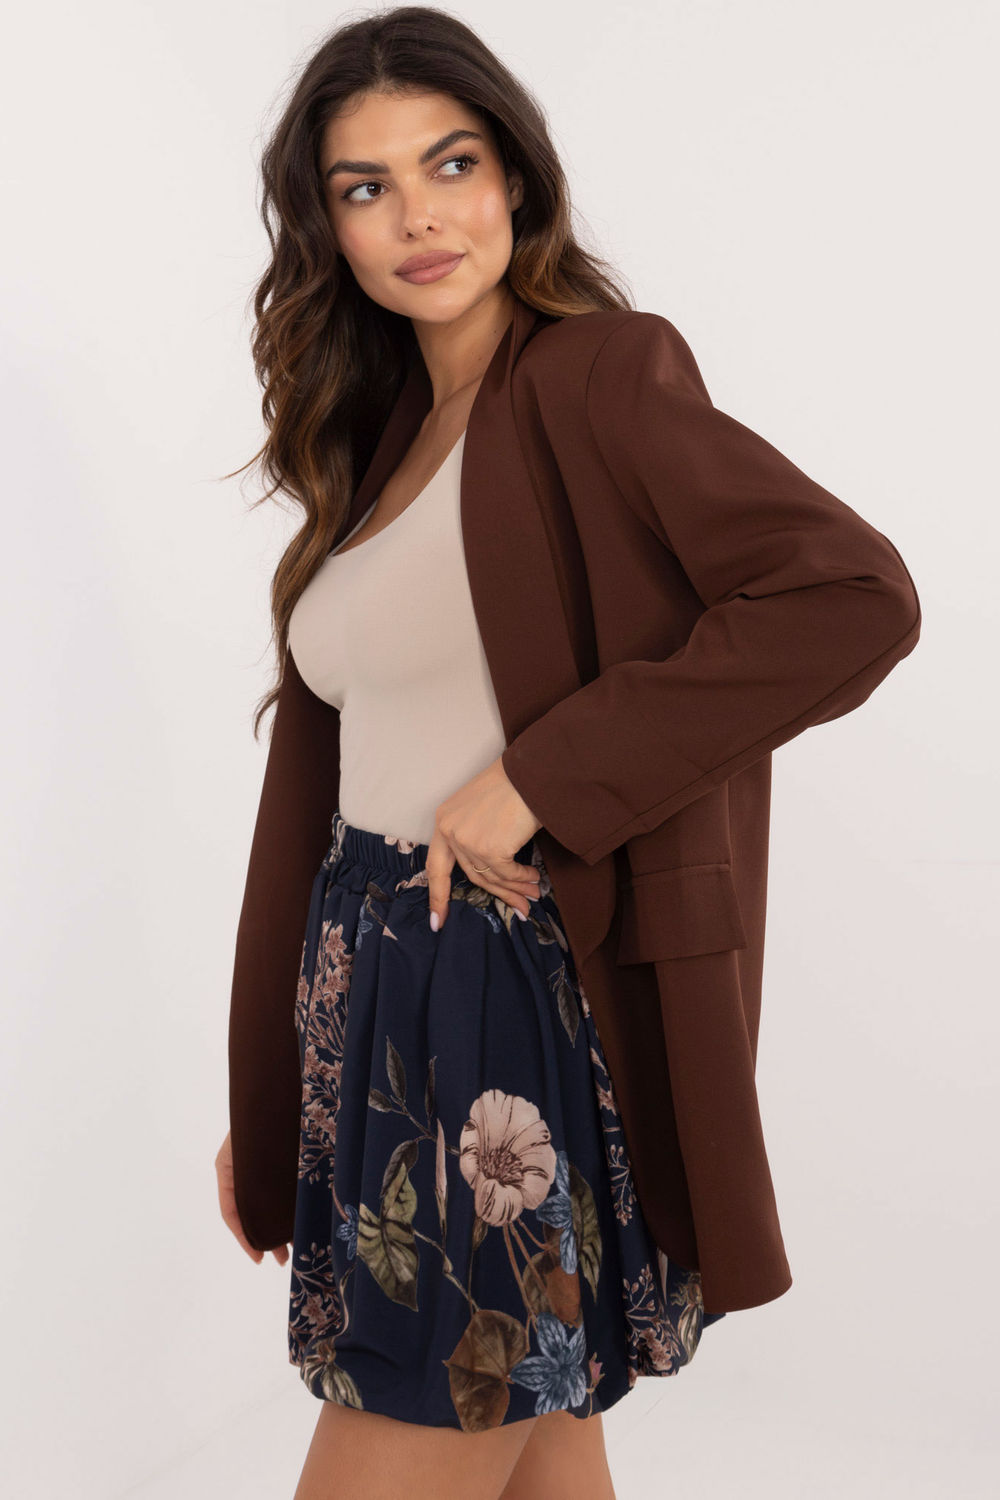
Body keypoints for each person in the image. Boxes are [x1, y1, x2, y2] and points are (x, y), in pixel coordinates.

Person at [215, 8, 920, 1498]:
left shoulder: (597, 378)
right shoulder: (376, 440)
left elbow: (852, 598)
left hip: (499, 993)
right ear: (328, 229)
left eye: (451, 164)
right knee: (533, 1452)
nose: (418, 216)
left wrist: (544, 777)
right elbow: (333, 789)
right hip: (373, 986)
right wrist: (281, 1089)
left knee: (424, 1419)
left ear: (516, 179)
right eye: (365, 187)